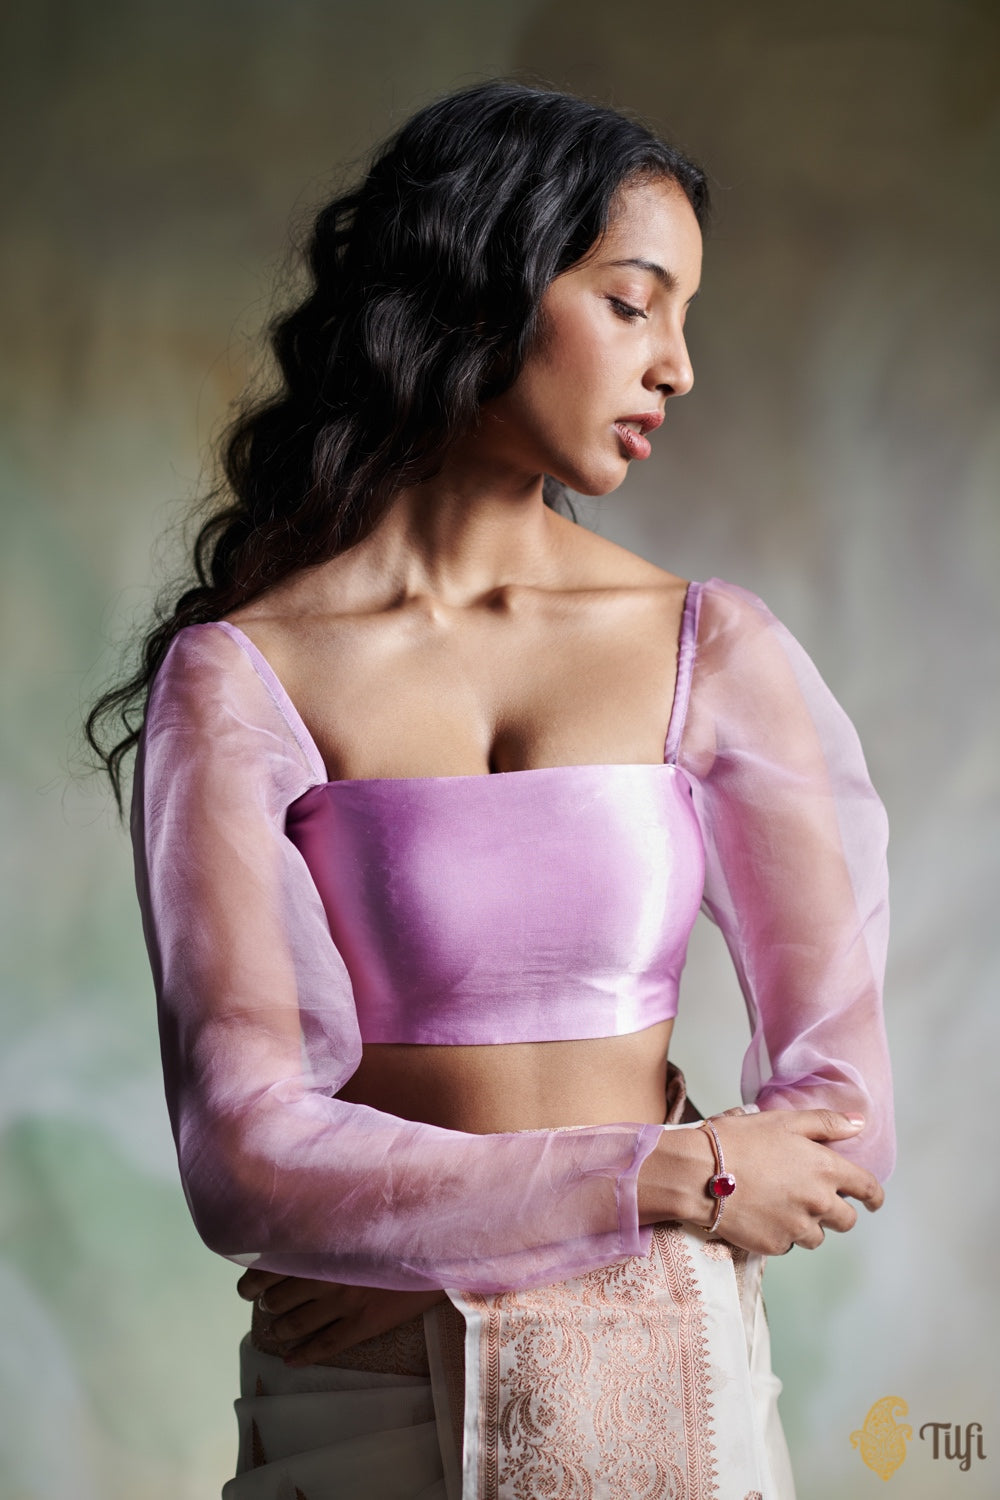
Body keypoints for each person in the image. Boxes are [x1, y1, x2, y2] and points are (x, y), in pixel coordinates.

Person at [88, 81, 894, 1500]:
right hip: (363, 1411)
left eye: (686, 317)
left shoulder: (714, 649)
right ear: (484, 283)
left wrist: (412, 1233)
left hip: (666, 1396)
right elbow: (245, 1157)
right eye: (634, 304)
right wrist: (668, 1178)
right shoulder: (241, 677)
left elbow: (841, 1127)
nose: (678, 366)